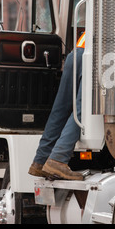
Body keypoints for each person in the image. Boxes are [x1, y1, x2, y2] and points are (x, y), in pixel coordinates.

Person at [28, 33, 86, 180]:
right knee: (84, 108)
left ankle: (40, 161)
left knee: (60, 110)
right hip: (94, 54)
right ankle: (58, 159)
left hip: (77, 52)